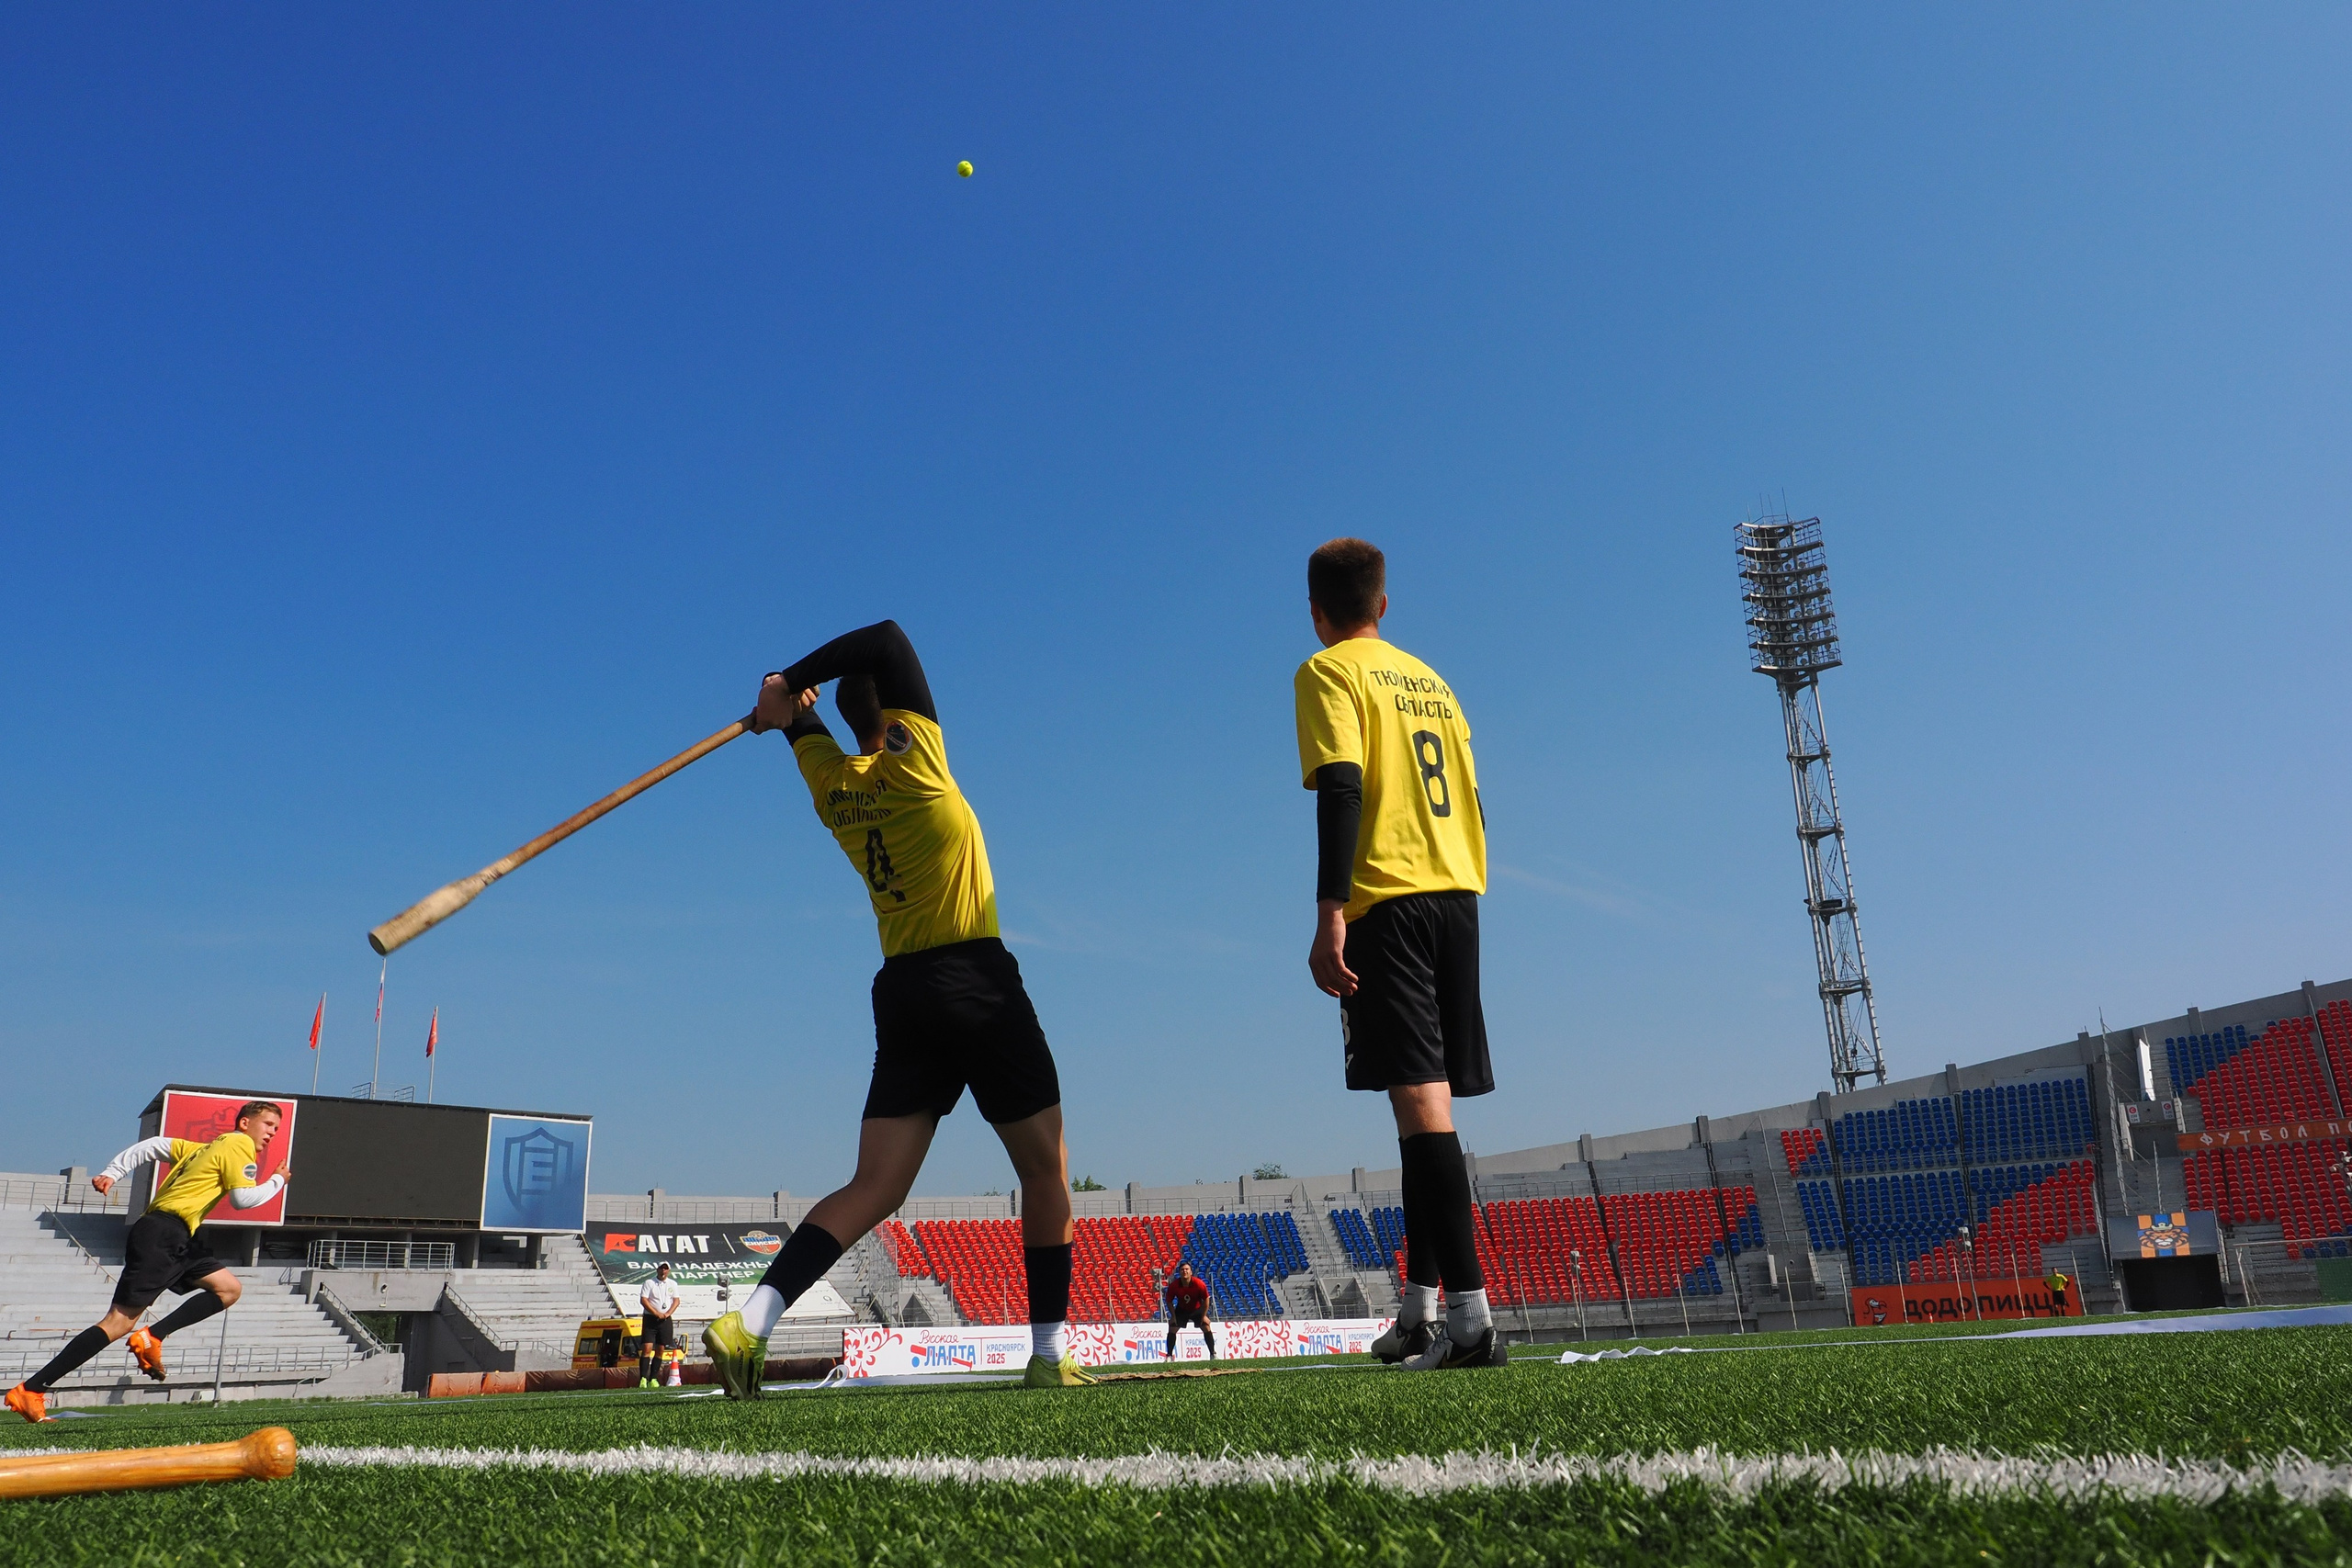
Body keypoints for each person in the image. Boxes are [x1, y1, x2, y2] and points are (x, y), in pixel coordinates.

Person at [702, 620, 1094, 1394]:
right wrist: (788, 680)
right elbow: (884, 638)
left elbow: (804, 731)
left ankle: (751, 1320)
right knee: (1046, 1167)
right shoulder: (919, 769)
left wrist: (788, 710)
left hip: (903, 993)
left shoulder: (835, 790)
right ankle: (1049, 1354)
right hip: (974, 978)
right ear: (898, 722)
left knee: (875, 1185)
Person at [1294, 539, 1504, 1371]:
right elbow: (1476, 796)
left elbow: (1343, 786)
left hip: (1389, 898)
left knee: (1421, 1108)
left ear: (1317, 614)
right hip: (1458, 892)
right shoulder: (1435, 682)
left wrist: (1330, 913)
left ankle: (1473, 1319)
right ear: (1385, 604)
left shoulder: (1327, 673)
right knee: (1421, 1105)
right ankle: (1420, 1308)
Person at [6, 1100, 289, 1423]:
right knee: (118, 1323)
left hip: (176, 1235)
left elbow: (154, 1146)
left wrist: (113, 1172)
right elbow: (243, 1200)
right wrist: (278, 1180)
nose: (272, 1133)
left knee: (228, 1289)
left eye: (276, 1129)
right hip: (163, 1234)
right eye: (267, 1124)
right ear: (244, 1124)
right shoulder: (240, 1145)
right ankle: (32, 1389)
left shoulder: (205, 1148)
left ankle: (152, 1335)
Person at [1162, 1262, 1215, 1362]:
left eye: (1187, 1269)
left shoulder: (1199, 1284)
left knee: (1206, 1326)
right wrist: (1173, 1316)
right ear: (1179, 1273)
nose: (1184, 1271)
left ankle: (1213, 1354)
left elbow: (1207, 1299)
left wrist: (1203, 1316)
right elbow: (1168, 1300)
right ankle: (1169, 1356)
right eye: (1182, 1270)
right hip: (1182, 1309)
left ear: (1191, 1272)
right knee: (1172, 1328)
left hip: (1197, 1308)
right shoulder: (1174, 1285)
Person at [638, 1263, 679, 1388]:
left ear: (669, 1271)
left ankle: (653, 1378)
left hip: (665, 1320)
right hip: (651, 1319)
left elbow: (676, 1301)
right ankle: (643, 1378)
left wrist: (667, 1314)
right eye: (661, 1268)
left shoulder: (672, 1284)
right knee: (647, 1348)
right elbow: (644, 1300)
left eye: (665, 1269)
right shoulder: (649, 1283)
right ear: (657, 1269)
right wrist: (656, 1313)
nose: (663, 1271)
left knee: (660, 1350)